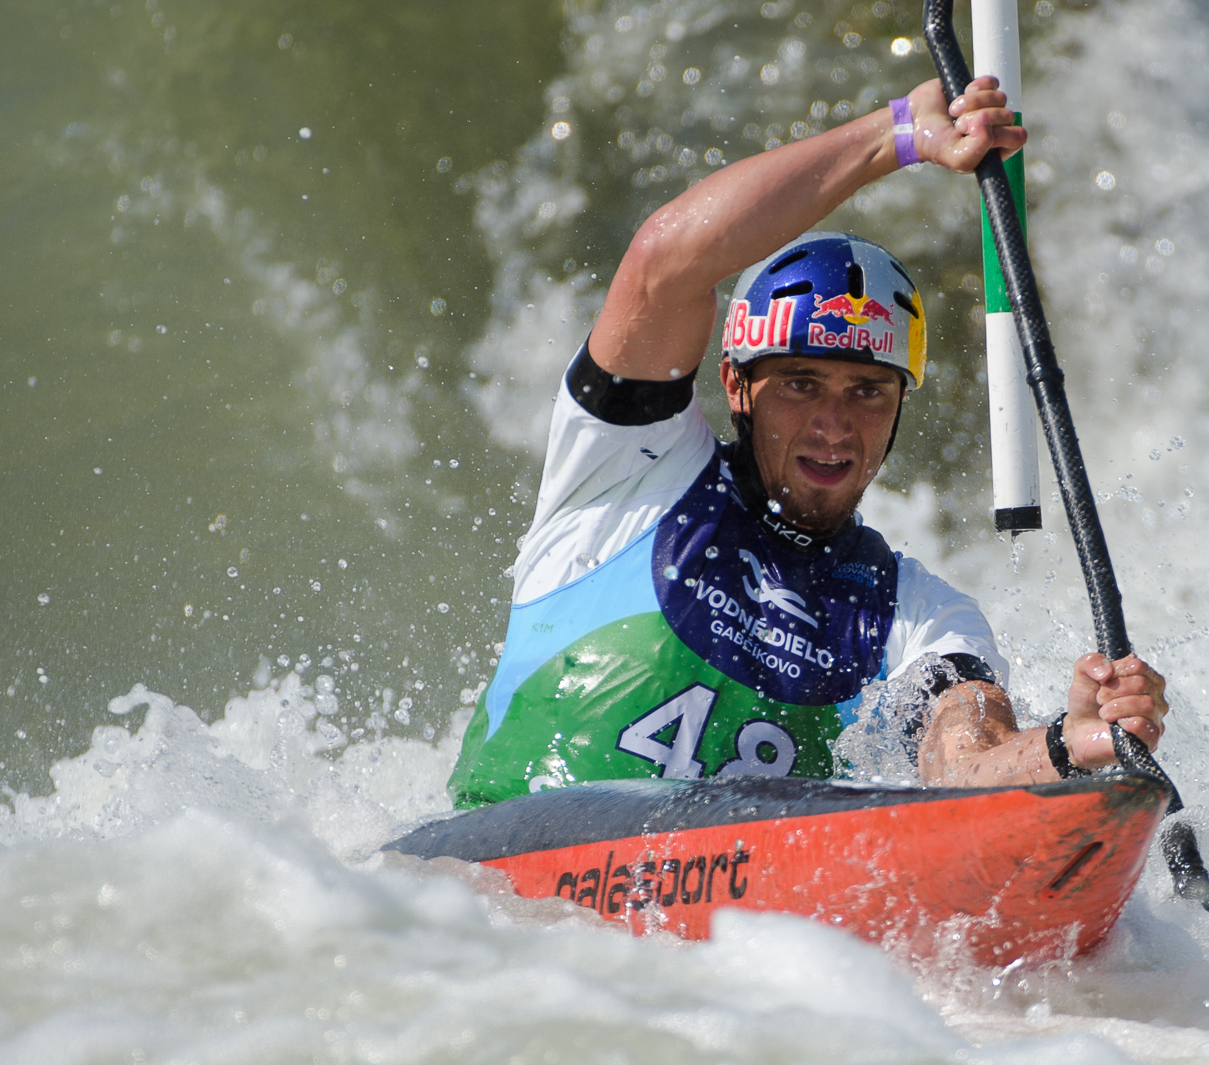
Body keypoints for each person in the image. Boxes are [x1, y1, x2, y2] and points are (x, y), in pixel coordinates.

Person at [447, 76, 1169, 808]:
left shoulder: (918, 615)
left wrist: (1066, 745)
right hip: (484, 899)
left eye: (867, 391)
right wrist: (893, 137)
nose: (834, 423)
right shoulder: (630, 468)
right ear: (736, 387)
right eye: (800, 383)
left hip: (726, 923)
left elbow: (962, 764)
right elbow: (666, 260)